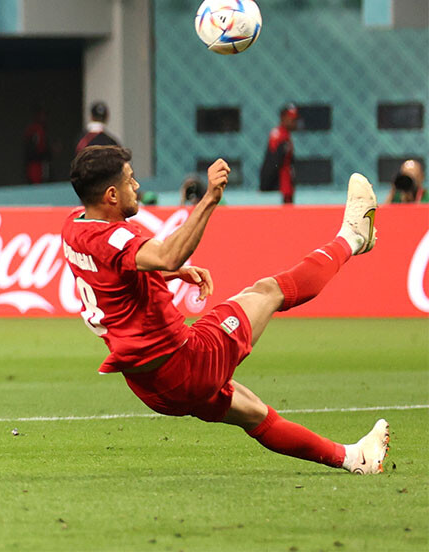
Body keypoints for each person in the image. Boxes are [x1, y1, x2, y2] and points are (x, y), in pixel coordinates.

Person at [62, 145, 389, 475]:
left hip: (150, 386)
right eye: (131, 181)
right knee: (268, 291)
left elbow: (111, 275)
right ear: (112, 195)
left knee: (256, 414)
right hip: (188, 363)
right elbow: (167, 254)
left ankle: (354, 458)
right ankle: (353, 237)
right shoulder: (114, 237)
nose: (137, 187)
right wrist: (210, 197)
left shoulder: (74, 226)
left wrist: (172, 274)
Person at [259, 102, 297, 204]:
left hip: (287, 188)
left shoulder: (286, 136)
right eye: (291, 118)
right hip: (279, 191)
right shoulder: (278, 136)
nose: (294, 121)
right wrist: (266, 186)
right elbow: (272, 163)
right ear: (283, 117)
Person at [23, 106, 52, 184]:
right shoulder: (34, 129)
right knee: (36, 185)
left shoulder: (43, 129)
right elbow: (34, 148)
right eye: (41, 114)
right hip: (34, 164)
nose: (44, 117)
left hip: (42, 163)